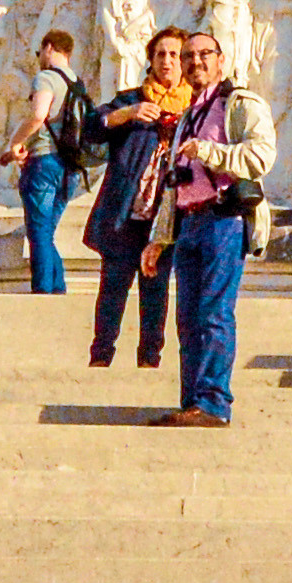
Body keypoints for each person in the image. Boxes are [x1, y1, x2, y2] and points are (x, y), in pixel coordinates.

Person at [147, 31, 269, 427]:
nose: (195, 62)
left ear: (220, 59)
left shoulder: (239, 104)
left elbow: (261, 155)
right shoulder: (187, 116)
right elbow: (174, 182)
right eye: (188, 56)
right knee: (187, 318)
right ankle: (192, 402)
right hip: (189, 223)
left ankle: (214, 402)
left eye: (204, 55)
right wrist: (160, 238)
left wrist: (209, 151)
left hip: (225, 219)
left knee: (215, 312)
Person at [75, 45, 179, 370]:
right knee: (113, 289)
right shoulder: (130, 100)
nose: (167, 61)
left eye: (174, 55)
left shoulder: (195, 109)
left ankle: (149, 360)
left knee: (155, 292)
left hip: (165, 219)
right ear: (151, 60)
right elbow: (91, 129)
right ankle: (101, 356)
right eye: (161, 54)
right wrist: (128, 114)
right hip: (125, 213)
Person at [9, 31, 85, 294]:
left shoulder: (46, 77)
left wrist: (15, 144)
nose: (39, 58)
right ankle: (57, 288)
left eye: (39, 52)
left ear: (49, 48)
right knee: (46, 232)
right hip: (71, 166)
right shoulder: (77, 82)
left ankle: (43, 292)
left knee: (39, 232)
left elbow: (38, 115)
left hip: (44, 160)